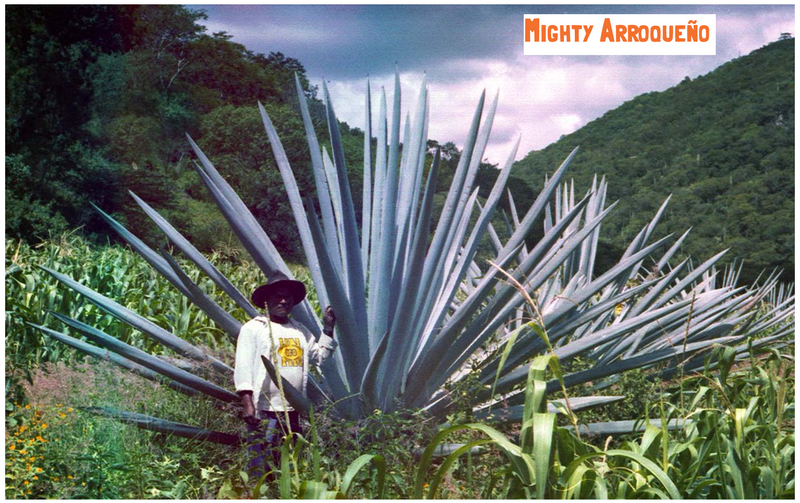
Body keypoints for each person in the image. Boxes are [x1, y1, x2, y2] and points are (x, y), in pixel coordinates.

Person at [233, 272, 337, 479]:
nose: (283, 301)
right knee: (259, 462)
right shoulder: (254, 328)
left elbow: (320, 357)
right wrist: (247, 403)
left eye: (287, 297)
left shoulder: (300, 331)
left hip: (292, 410)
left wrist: (328, 328)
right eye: (277, 296)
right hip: (264, 409)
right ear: (266, 300)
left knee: (286, 463)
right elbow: (243, 366)